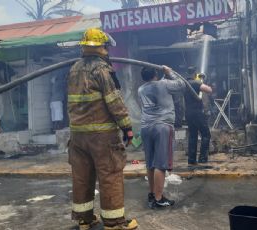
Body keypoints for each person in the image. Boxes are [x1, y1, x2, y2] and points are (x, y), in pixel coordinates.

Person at [67, 28, 138, 230]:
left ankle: (84, 220)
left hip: (78, 136)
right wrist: (127, 128)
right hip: (102, 137)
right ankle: (114, 222)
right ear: (103, 47)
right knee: (110, 175)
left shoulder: (73, 69)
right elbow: (114, 101)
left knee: (82, 176)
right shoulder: (102, 70)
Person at [138, 66, 185, 209]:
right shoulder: (164, 84)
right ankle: (158, 199)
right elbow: (181, 84)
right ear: (155, 74)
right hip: (162, 126)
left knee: (150, 163)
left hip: (146, 128)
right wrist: (169, 72)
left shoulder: (140, 89)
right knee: (160, 164)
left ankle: (152, 194)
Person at [184, 69, 212, 166]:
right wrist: (200, 82)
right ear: (195, 74)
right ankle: (203, 159)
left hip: (188, 113)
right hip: (197, 113)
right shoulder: (195, 83)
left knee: (193, 136)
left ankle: (191, 160)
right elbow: (209, 90)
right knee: (206, 134)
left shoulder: (184, 84)